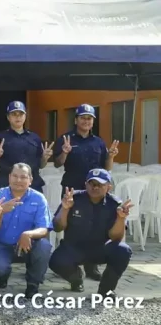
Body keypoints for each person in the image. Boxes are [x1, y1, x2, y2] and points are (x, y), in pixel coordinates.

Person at [52, 103, 118, 281]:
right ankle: (69, 263)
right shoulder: (66, 138)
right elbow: (57, 163)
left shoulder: (98, 141)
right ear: (76, 120)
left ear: (93, 121)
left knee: (96, 226)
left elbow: (106, 167)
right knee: (70, 224)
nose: (86, 121)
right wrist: (65, 152)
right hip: (72, 188)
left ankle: (91, 265)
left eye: (90, 118)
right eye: (83, 118)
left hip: (94, 190)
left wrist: (111, 157)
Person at [49, 169, 133, 298]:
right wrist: (65, 209)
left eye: (100, 184)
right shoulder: (73, 198)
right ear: (85, 184)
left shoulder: (115, 204)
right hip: (74, 247)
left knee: (123, 250)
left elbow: (115, 237)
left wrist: (121, 218)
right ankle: (76, 279)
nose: (95, 187)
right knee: (56, 261)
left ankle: (106, 290)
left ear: (108, 187)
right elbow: (58, 227)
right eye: (92, 183)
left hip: (100, 248)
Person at [0, 163, 53, 298]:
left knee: (44, 246)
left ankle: (33, 284)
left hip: (27, 244)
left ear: (30, 180)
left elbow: (44, 228)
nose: (18, 180)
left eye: (23, 177)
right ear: (9, 177)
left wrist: (28, 233)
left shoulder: (39, 198)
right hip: (2, 244)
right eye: (15, 176)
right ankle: (3, 274)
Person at [0, 101, 54, 193]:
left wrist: (45, 158)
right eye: (14, 114)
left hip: (32, 186)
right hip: (6, 186)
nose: (18, 117)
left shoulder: (34, 138)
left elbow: (41, 165)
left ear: (25, 116)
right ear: (8, 117)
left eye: (21, 114)